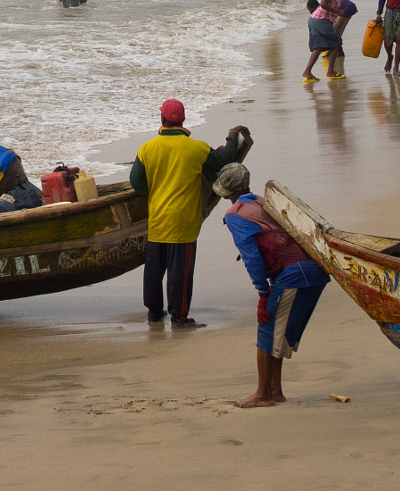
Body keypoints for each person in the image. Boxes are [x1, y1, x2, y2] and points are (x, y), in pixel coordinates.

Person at [215, 163, 327, 408]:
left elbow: (252, 258)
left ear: (225, 191)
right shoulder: (260, 201)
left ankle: (263, 394)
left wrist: (262, 292)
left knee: (268, 328)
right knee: (280, 332)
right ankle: (275, 391)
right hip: (315, 269)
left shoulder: (235, 214)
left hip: (294, 274)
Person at [129, 99, 211, 328]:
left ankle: (155, 312)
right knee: (180, 272)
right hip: (183, 222)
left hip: (158, 220)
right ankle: (179, 317)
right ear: (182, 120)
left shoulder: (147, 148)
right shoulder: (198, 149)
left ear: (162, 119)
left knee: (154, 271)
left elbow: (137, 184)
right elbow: (219, 166)